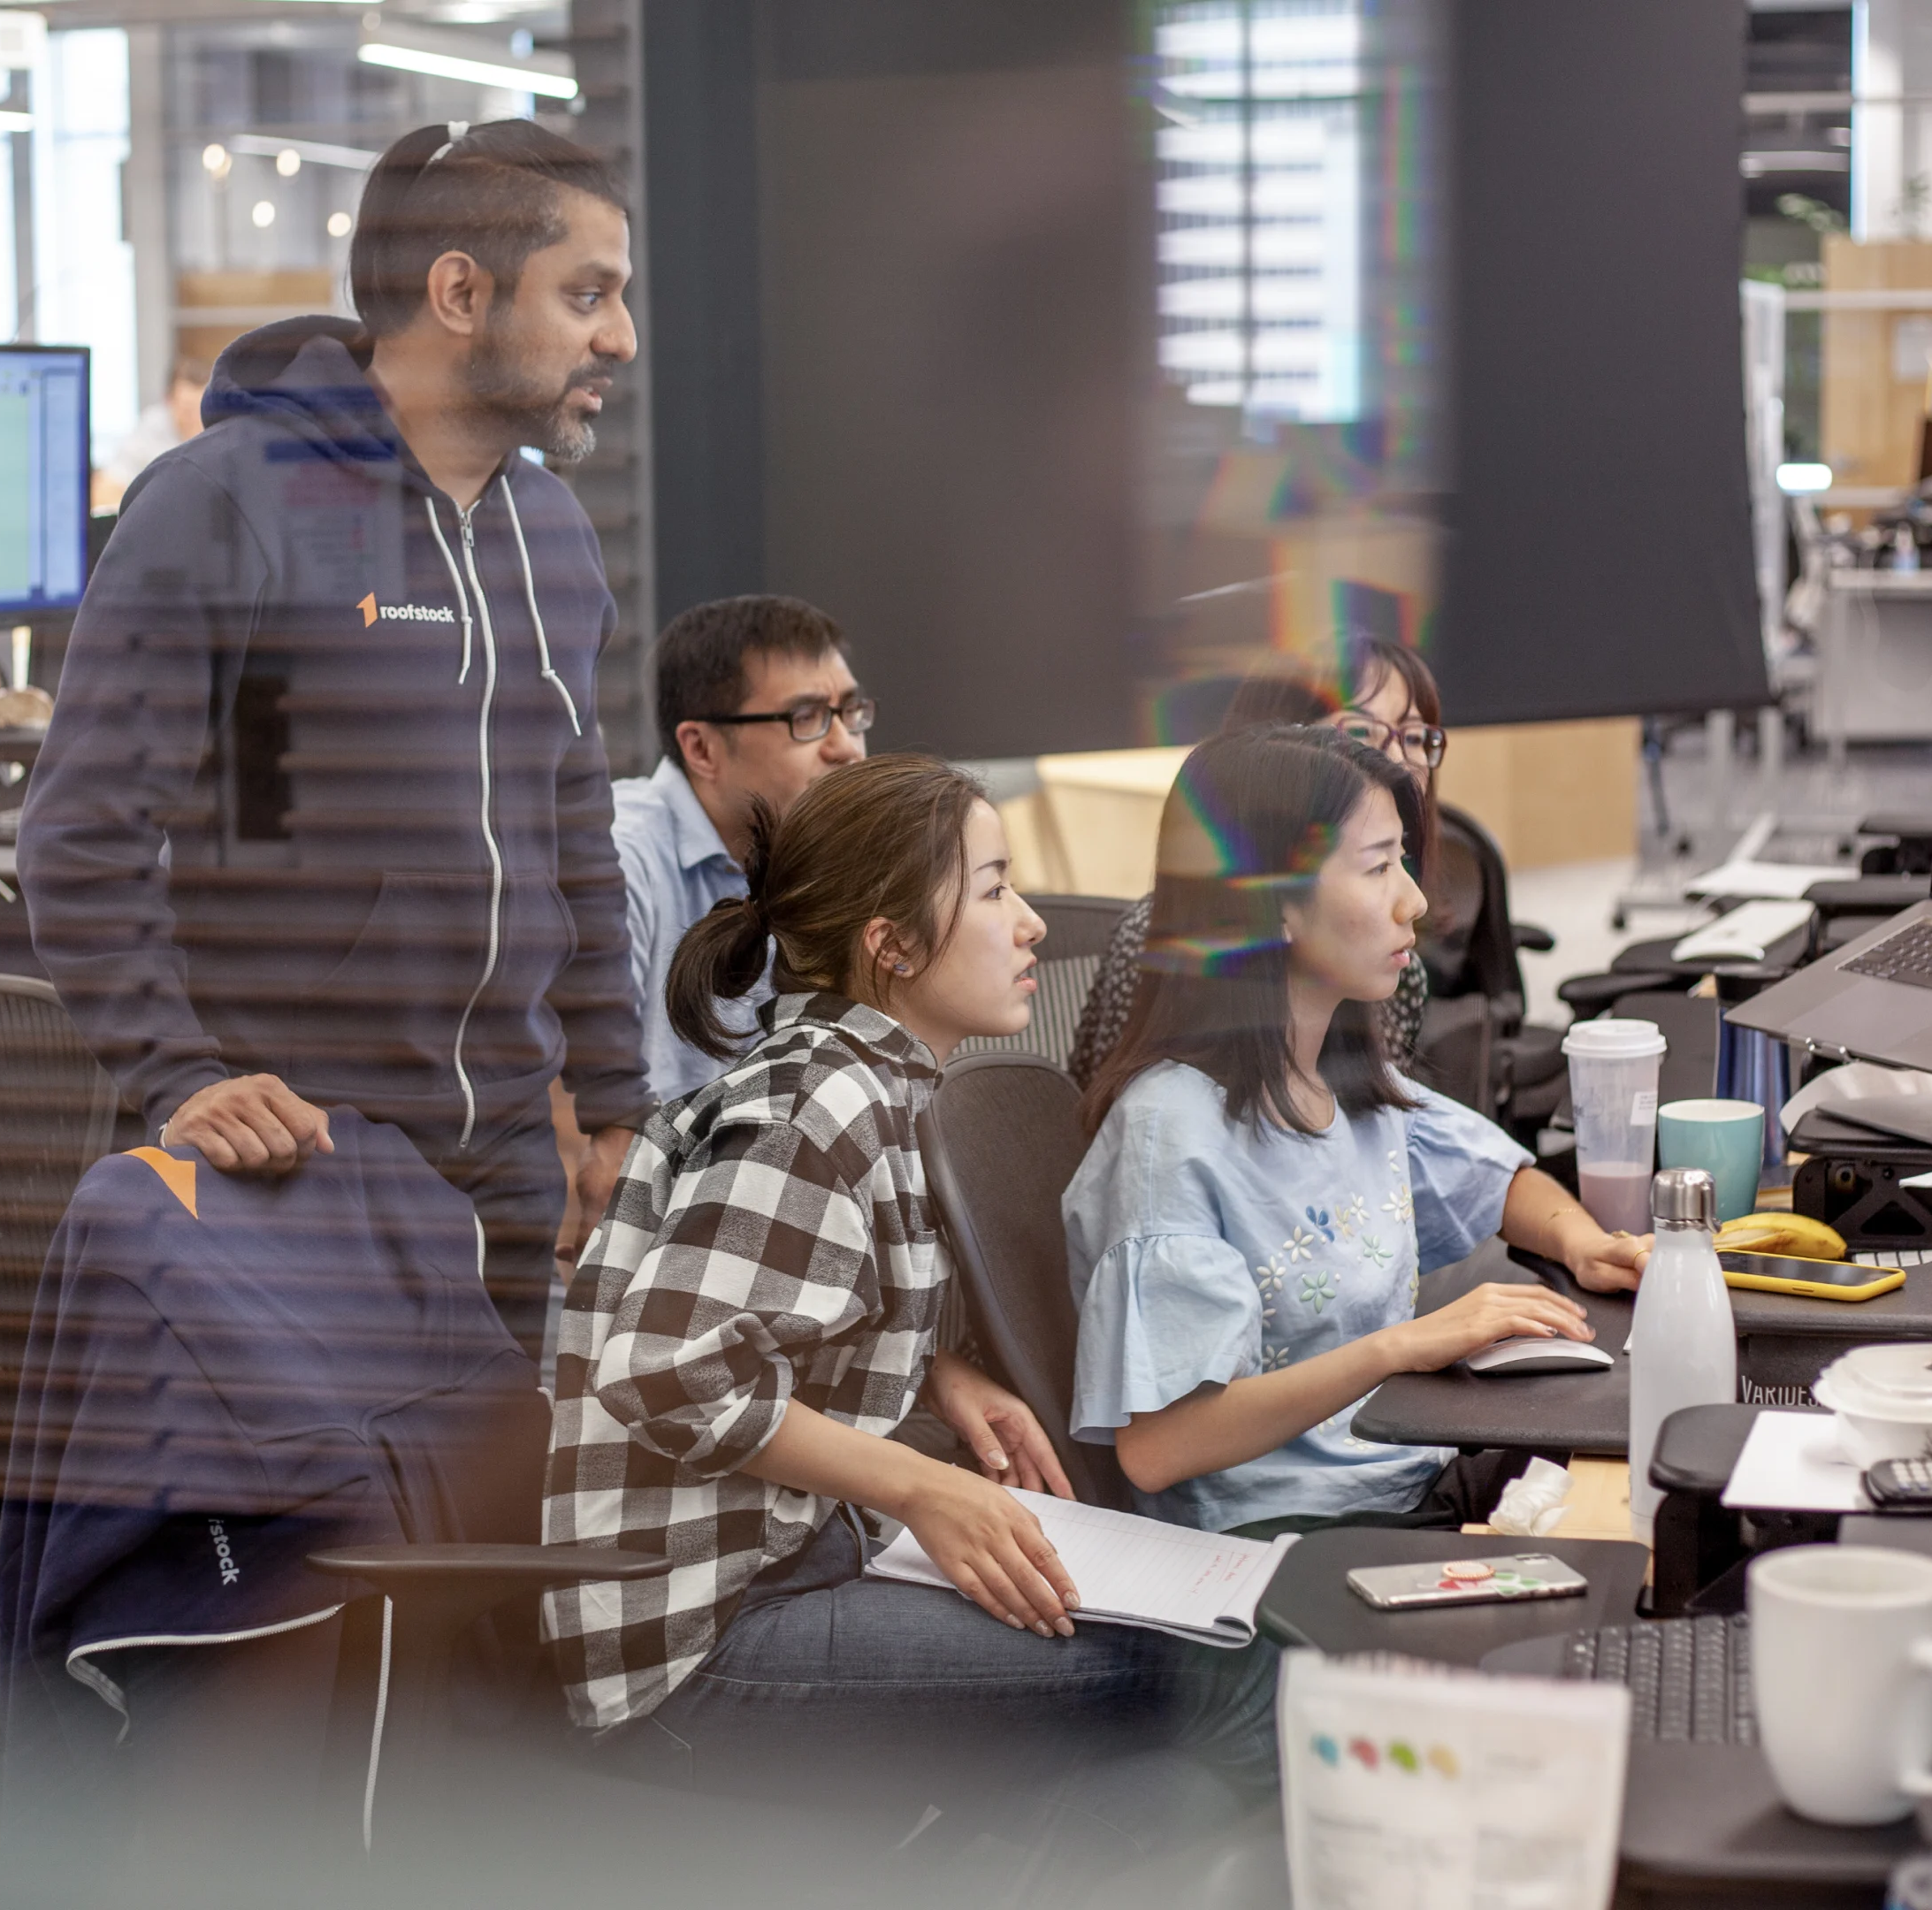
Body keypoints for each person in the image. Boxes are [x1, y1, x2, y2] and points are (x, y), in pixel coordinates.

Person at [544, 753, 1278, 1819]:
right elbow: (666, 1372)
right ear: (888, 947)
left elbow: (800, 1288)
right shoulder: (816, 1104)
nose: (1030, 924)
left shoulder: (857, 1081)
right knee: (1223, 1676)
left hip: (787, 1566)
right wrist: (922, 1486)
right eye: (993, 891)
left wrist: (938, 1379)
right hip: (694, 1645)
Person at [20, 118, 649, 1356]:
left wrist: (619, 1101)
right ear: (460, 291)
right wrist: (181, 1074)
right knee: (323, 1548)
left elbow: (573, 833)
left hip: (511, 1168)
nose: (620, 338)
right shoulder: (227, 502)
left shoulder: (556, 536)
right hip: (296, 1170)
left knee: (489, 1533)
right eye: (588, 296)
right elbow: (82, 835)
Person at [1066, 726, 1648, 1536]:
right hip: (1282, 1543)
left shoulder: (1349, 1084)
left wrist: (1584, 1243)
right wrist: (1401, 1346)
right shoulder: (1170, 1132)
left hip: (1409, 1484)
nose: (1414, 901)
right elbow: (1162, 1444)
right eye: (1379, 868)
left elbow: (1495, 1174)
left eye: (1403, 863)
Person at [1070, 638, 1448, 1081]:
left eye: (1417, 737)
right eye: (1362, 732)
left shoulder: (1401, 971)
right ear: (1282, 742)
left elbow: (1382, 1128)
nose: (1400, 761)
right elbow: (1125, 1117)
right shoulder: (1172, 941)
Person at [608, 592, 870, 1101]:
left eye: (852, 712)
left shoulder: (836, 856)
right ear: (702, 749)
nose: (848, 748)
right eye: (808, 717)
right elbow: (583, 1134)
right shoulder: (618, 858)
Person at [92, 355, 213, 509]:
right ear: (168, 401)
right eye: (187, 409)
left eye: (203, 408)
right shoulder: (153, 428)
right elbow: (104, 491)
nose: (197, 419)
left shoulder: (227, 432)